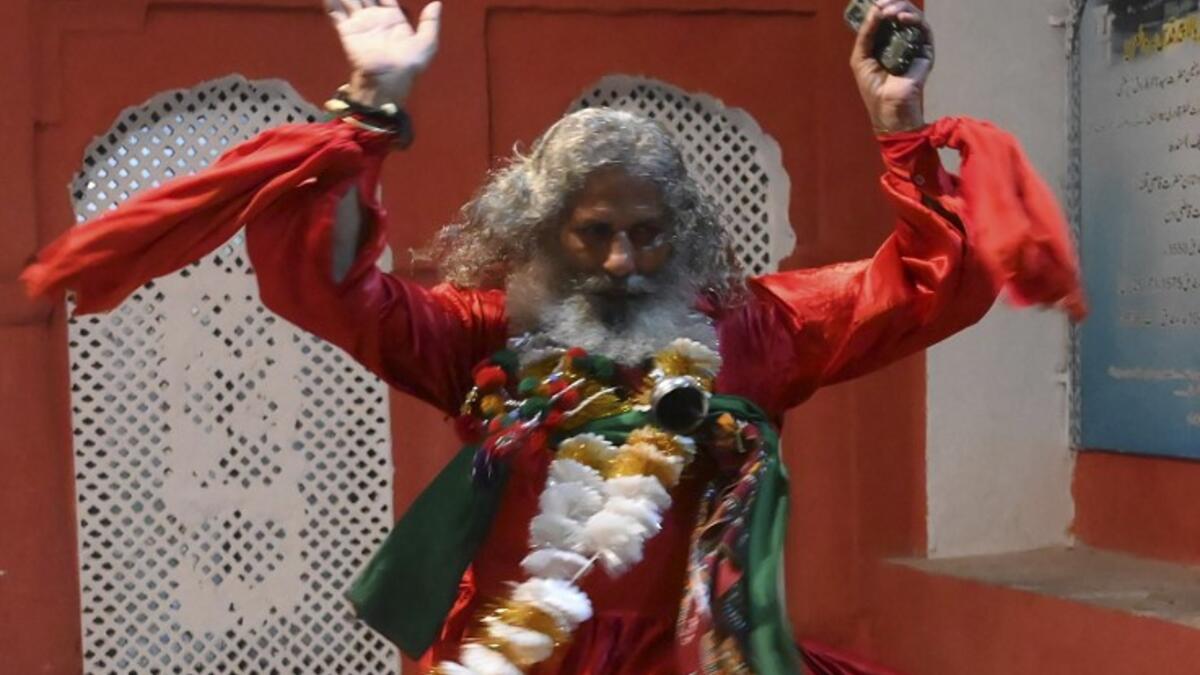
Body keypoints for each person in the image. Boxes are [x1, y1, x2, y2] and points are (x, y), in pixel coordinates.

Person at [22, 0, 1085, 673]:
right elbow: (331, 287)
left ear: (686, 235)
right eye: (595, 235)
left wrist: (901, 122)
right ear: (541, 231)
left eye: (648, 237)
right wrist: (371, 105)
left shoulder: (753, 332)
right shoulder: (481, 336)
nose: (623, 262)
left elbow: (928, 287)